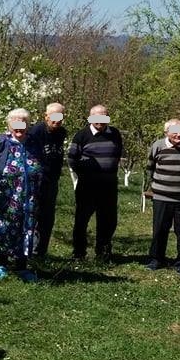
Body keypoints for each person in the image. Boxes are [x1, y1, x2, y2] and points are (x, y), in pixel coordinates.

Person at [144, 119, 180, 275]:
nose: (178, 135)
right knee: (159, 230)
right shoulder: (158, 146)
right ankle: (156, 259)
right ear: (166, 133)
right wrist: (157, 185)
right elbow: (150, 167)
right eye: (174, 132)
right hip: (161, 197)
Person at [0, 109, 43, 279]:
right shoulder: (2, 141)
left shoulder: (33, 142)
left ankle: (22, 266)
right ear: (9, 125)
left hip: (29, 196)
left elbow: (41, 164)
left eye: (23, 123)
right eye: (15, 124)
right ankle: (2, 264)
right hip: (7, 195)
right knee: (5, 227)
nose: (19, 128)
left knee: (26, 228)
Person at [67, 104, 123, 262]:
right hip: (87, 186)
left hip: (109, 185)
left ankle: (103, 253)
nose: (100, 120)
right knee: (82, 220)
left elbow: (117, 153)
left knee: (108, 220)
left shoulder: (115, 133)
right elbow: (72, 158)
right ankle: (79, 253)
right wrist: (84, 173)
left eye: (104, 117)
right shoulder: (81, 135)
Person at [27, 102, 67, 259]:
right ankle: (29, 250)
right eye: (53, 117)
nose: (57, 120)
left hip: (52, 180)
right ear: (46, 116)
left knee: (48, 216)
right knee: (34, 214)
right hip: (36, 181)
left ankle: (41, 251)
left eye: (60, 116)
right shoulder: (36, 132)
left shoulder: (61, 132)